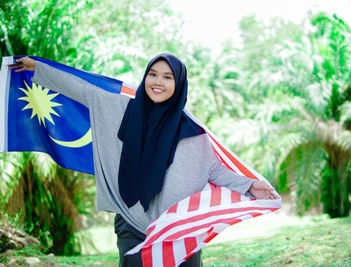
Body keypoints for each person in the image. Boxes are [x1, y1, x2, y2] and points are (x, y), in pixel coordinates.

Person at [11, 54, 279, 266]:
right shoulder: (120, 109)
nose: (158, 82)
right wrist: (38, 69)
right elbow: (83, 90)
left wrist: (250, 185)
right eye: (152, 74)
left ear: (179, 84)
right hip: (131, 222)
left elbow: (214, 170)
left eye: (167, 77)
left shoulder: (193, 132)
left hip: (179, 229)